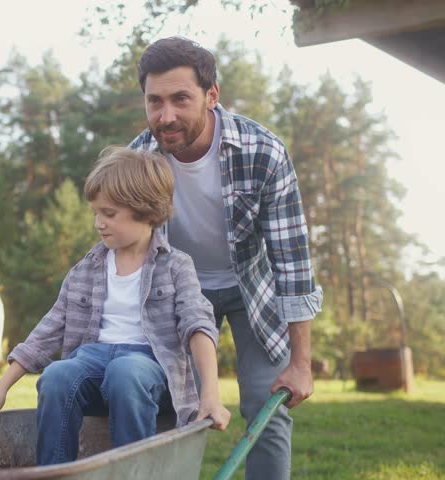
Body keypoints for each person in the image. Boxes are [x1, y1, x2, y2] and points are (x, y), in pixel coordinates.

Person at [129, 36, 323, 479]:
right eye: (154, 101)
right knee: (173, 406)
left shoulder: (263, 152)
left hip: (253, 288)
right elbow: (125, 257)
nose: (166, 116)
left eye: (181, 99)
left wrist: (301, 363)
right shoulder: (139, 160)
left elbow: (292, 262)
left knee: (265, 407)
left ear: (212, 95)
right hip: (179, 292)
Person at [0, 145, 231, 466]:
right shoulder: (87, 269)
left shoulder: (175, 266)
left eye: (109, 214)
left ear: (147, 211)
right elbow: (49, 330)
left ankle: (131, 472)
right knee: (57, 375)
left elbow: (198, 325)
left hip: (148, 370)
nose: (98, 223)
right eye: (95, 212)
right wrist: (2, 387)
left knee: (126, 371)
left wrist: (210, 394)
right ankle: (55, 473)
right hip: (93, 362)